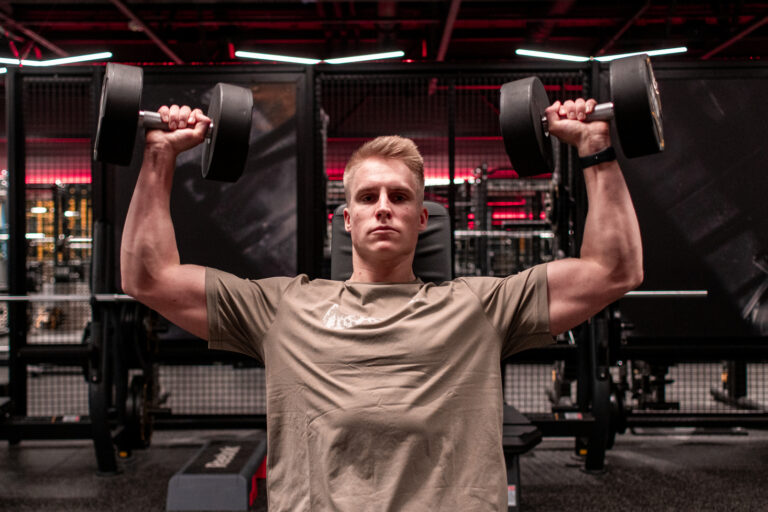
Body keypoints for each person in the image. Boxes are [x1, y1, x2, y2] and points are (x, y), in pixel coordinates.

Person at [121, 98, 642, 511]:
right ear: (347, 220)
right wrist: (159, 155)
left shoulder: (479, 307)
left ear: (423, 219)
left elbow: (614, 270)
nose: (384, 208)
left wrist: (595, 147)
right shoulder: (283, 307)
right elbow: (148, 278)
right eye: (368, 197)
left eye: (400, 196)